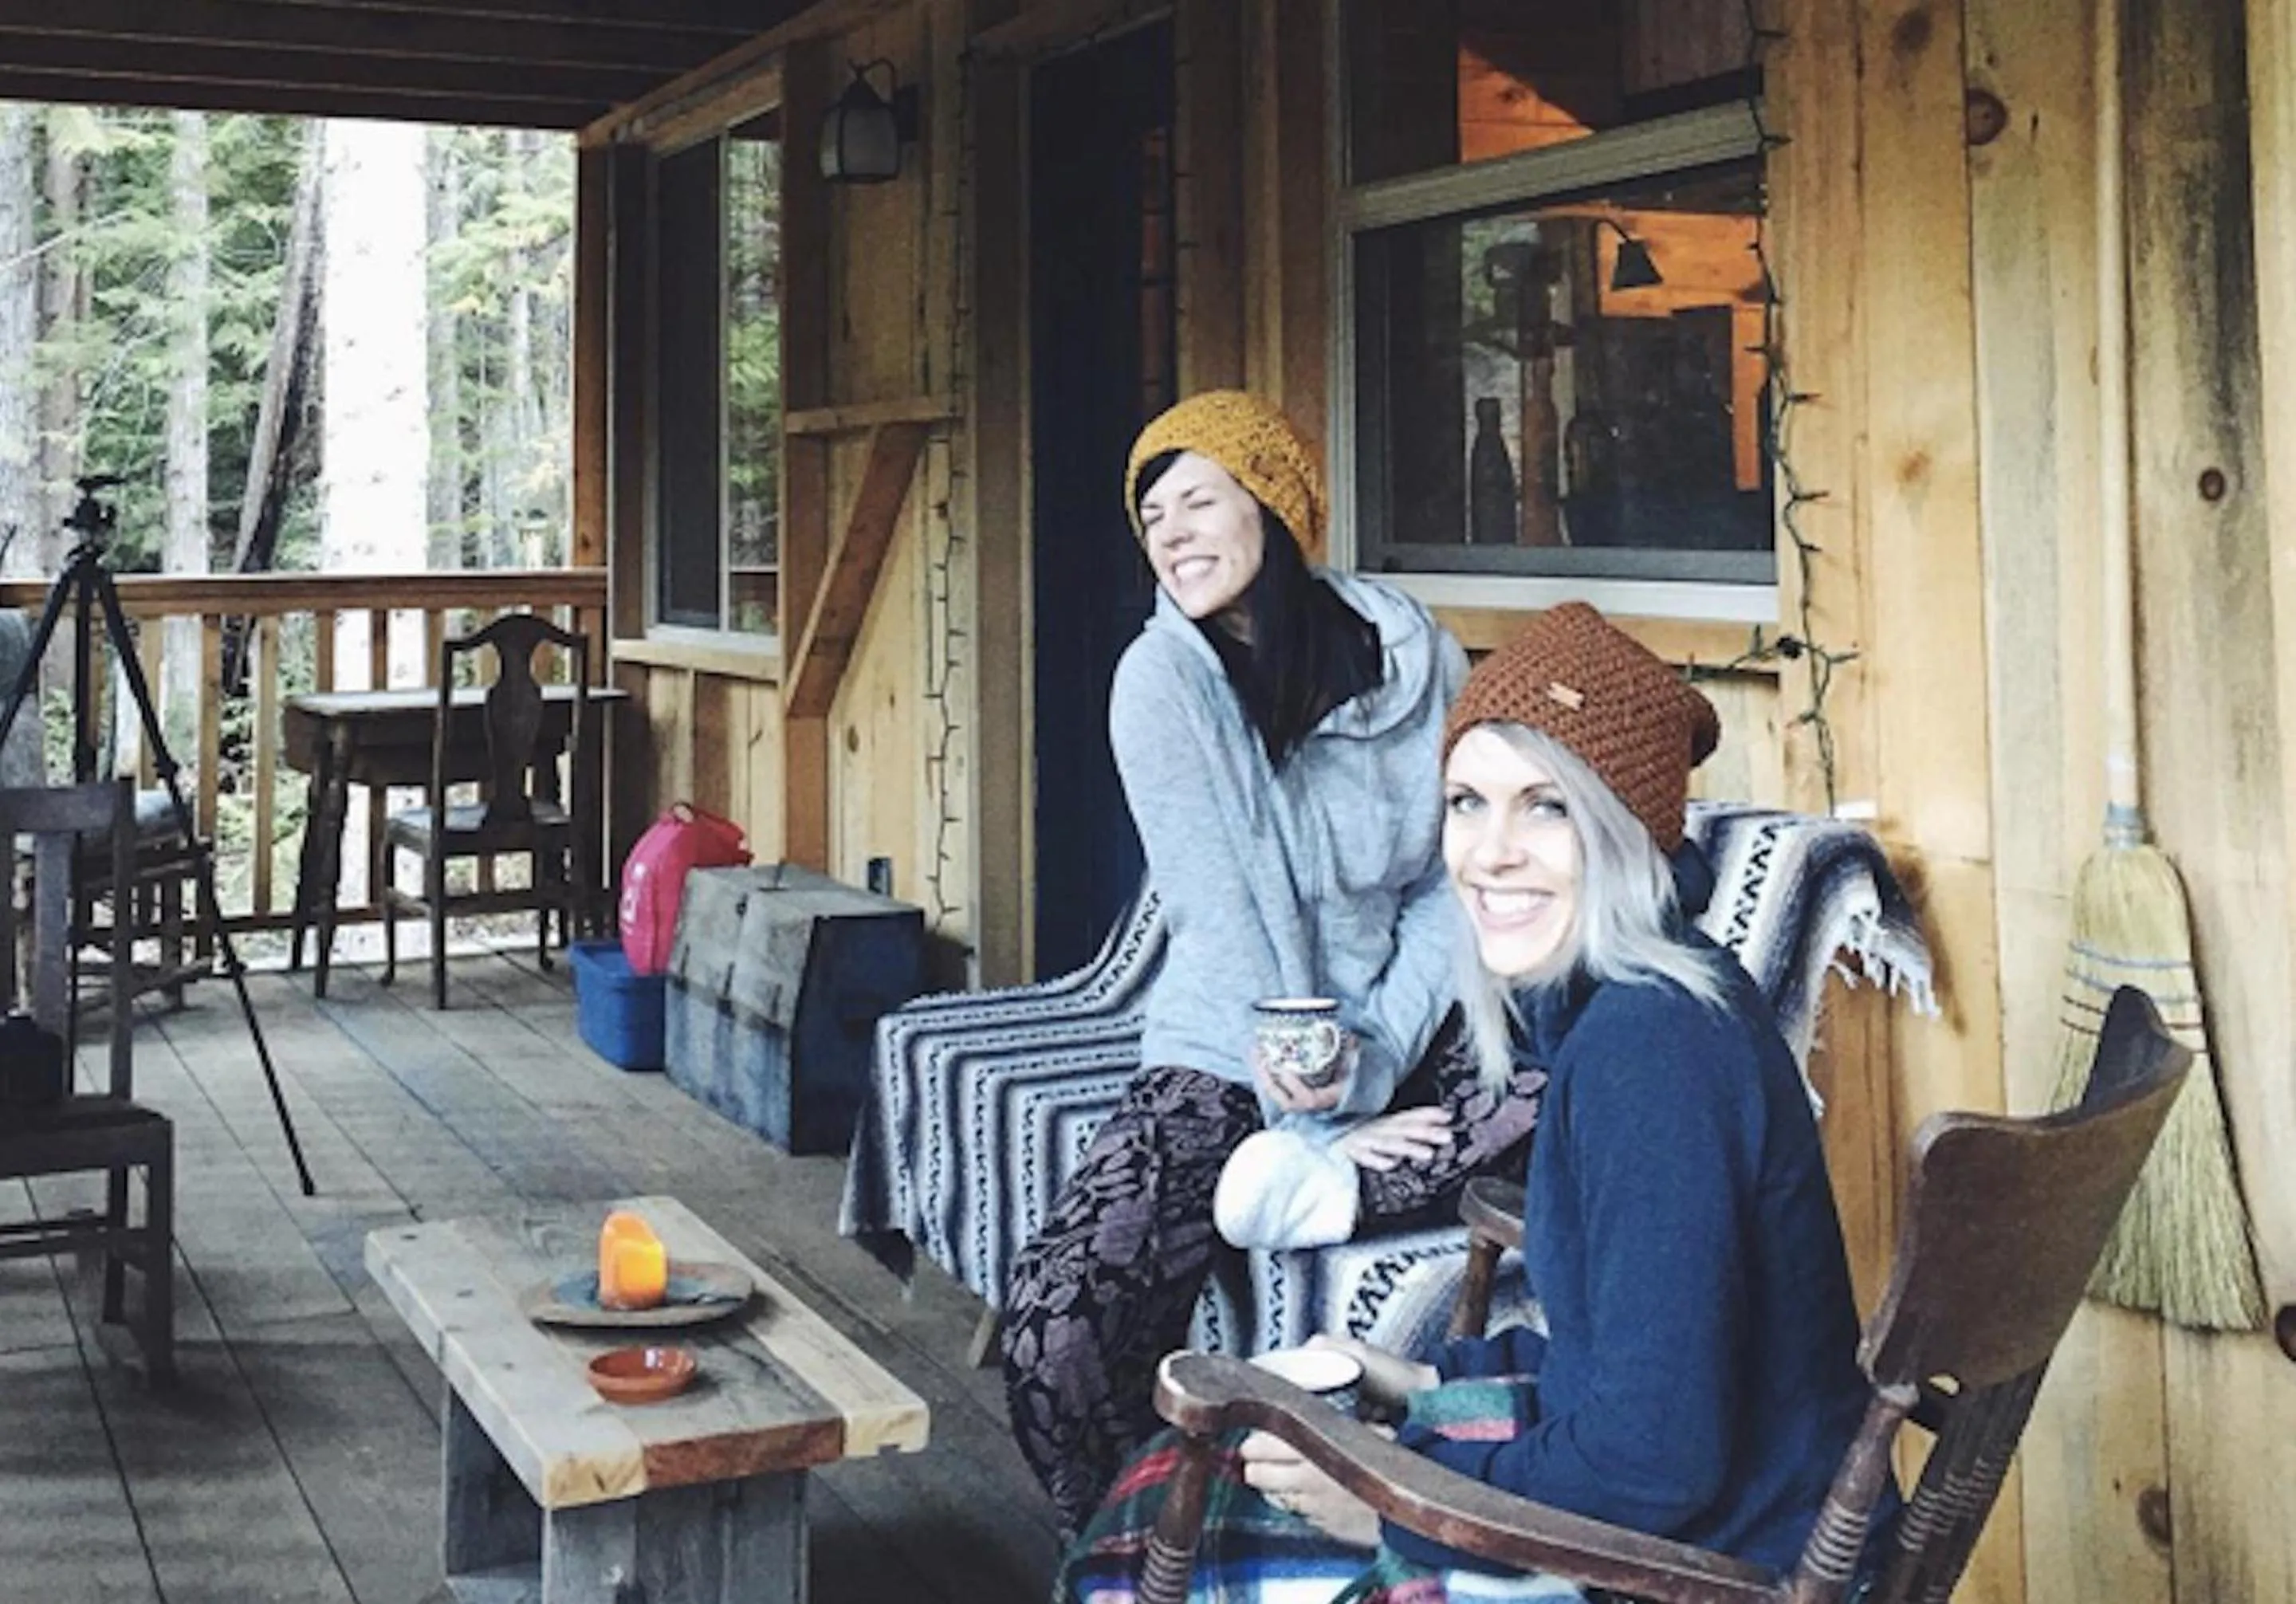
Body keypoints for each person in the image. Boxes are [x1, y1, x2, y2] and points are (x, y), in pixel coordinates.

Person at [1059, 601, 1889, 1602]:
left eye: (1547, 806)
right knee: (1180, 1479)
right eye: (1466, 801)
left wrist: (1396, 1502)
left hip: (1704, 1563)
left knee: (1150, 1545)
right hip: (1724, 1495)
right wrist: (1417, 1379)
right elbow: (1641, 1350)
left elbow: (1656, 1458)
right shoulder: (1646, 1004)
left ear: (1626, 827)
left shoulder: (1649, 1053)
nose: (1489, 852)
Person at [1001, 391, 1546, 1533]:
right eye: (1152, 518)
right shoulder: (1159, 681)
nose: (1175, 534)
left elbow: (1447, 883)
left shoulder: (1415, 655)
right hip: (1228, 1035)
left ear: (1277, 506)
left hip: (1406, 1016)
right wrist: (1308, 1102)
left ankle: (1336, 1186)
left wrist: (1376, 1062)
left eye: (1200, 499)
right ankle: (1166, 1549)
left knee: (1560, 1098)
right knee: (1057, 1336)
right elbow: (1224, 912)